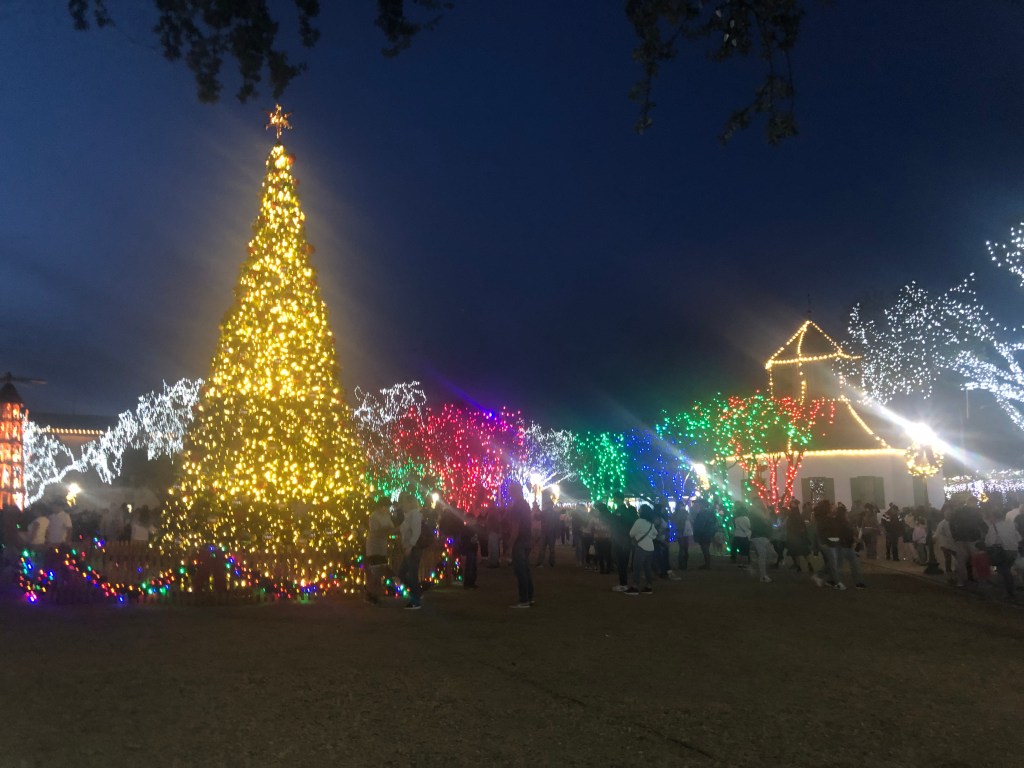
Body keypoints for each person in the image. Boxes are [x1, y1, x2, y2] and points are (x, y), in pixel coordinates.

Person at [507, 481, 534, 608]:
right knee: (526, 570)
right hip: (527, 539)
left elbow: (515, 527)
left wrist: (510, 544)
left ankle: (524, 600)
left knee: (520, 571)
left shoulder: (517, 507)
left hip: (520, 541)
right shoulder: (525, 505)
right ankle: (529, 597)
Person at [985, 508, 1021, 600]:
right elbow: (1019, 538)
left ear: (994, 517)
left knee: (1003, 572)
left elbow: (990, 542)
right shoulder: (1011, 525)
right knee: (1007, 570)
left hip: (1002, 552)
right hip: (1013, 551)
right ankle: (1010, 590)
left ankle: (1008, 591)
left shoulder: (993, 527)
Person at [397, 492, 425, 610]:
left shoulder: (415, 515)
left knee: (410, 574)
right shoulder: (409, 515)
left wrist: (410, 546)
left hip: (413, 548)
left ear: (410, 503)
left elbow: (416, 531)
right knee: (403, 573)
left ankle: (415, 600)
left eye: (404, 503)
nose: (402, 505)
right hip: (410, 547)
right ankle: (417, 592)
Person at [364, 497, 395, 604]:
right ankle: (370, 593)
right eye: (386, 507)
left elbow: (391, 527)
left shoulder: (386, 516)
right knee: (375, 571)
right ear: (381, 506)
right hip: (374, 546)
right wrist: (386, 530)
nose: (387, 509)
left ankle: (375, 593)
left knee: (381, 570)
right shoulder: (374, 516)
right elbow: (375, 531)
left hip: (382, 546)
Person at [625, 504, 657, 594]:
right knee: (647, 568)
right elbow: (655, 533)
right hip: (650, 547)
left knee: (637, 567)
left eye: (640, 510)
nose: (638, 511)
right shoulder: (650, 523)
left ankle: (635, 587)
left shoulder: (639, 521)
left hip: (641, 547)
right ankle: (649, 586)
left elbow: (631, 533)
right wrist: (649, 537)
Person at [833, 504, 866, 589]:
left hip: (846, 546)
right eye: (846, 513)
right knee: (845, 565)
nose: (847, 514)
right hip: (843, 546)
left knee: (853, 564)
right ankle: (841, 583)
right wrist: (855, 539)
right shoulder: (841, 523)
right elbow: (847, 534)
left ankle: (858, 582)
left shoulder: (841, 522)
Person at [747, 504, 773, 583]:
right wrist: (767, 515)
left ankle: (756, 569)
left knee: (767, 555)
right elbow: (765, 525)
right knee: (763, 556)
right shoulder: (757, 518)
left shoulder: (755, 517)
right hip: (760, 537)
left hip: (761, 537)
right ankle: (763, 575)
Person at [692, 499, 717, 570]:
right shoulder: (709, 512)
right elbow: (714, 521)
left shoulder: (703, 513)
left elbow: (699, 524)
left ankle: (707, 564)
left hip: (703, 533)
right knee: (706, 548)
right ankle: (707, 564)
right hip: (707, 532)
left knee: (705, 548)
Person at [535, 491, 559, 567]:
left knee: (546, 548)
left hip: (547, 532)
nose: (548, 506)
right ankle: (550, 562)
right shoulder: (552, 513)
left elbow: (537, 518)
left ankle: (544, 562)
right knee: (548, 549)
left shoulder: (545, 512)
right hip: (548, 532)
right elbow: (537, 518)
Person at [460, 508, 480, 589]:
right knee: (470, 566)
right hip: (470, 549)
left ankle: (471, 581)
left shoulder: (472, 528)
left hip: (472, 548)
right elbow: (465, 539)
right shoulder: (467, 529)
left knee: (472, 566)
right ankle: (469, 582)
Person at [674, 502, 692, 571]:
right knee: (685, 548)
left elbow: (675, 521)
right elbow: (690, 519)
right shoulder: (685, 512)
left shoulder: (676, 513)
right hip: (685, 531)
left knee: (682, 548)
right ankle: (684, 564)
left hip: (680, 531)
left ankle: (681, 564)